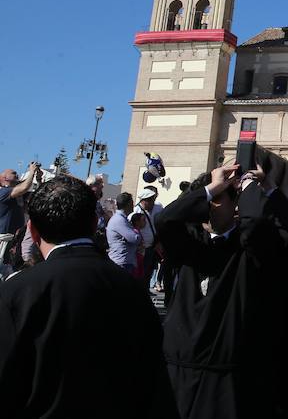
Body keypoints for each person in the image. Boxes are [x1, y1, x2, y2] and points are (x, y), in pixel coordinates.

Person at [0, 175, 174, 418]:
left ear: (33, 230)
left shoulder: (17, 291)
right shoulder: (132, 289)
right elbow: (154, 384)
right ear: (94, 224)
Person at [156, 163, 288, 419]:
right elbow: (165, 219)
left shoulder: (251, 246)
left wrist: (251, 186)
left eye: (218, 200)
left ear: (236, 205)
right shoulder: (189, 243)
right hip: (179, 373)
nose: (209, 208)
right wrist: (212, 188)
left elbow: (260, 225)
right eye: (208, 200)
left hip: (227, 378)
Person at [132, 187, 162, 288]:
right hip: (141, 249)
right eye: (150, 201)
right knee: (140, 273)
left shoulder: (158, 208)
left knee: (149, 272)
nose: (153, 203)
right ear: (144, 201)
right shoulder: (136, 211)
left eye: (153, 200)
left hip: (154, 246)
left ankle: (145, 291)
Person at [107, 192, 143, 274]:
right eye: (132, 202)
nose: (133, 205)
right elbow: (135, 238)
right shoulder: (119, 220)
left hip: (124, 261)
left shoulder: (122, 219)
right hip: (121, 262)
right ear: (128, 204)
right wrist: (137, 233)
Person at [0, 163, 38, 235]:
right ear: (5, 178)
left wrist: (39, 178)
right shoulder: (4, 191)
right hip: (4, 235)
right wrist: (32, 171)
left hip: (15, 234)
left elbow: (37, 194)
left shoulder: (18, 193)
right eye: (13, 173)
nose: (17, 175)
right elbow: (24, 187)